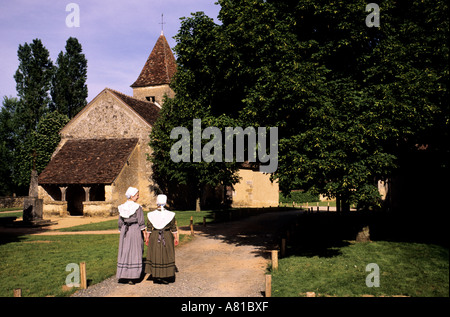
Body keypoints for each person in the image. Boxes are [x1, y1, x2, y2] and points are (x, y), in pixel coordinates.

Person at [144, 194, 178, 284]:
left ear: (157, 202)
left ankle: (157, 275)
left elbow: (149, 228)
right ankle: (165, 275)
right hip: (166, 235)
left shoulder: (151, 215)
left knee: (156, 254)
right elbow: (173, 228)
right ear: (165, 202)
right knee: (166, 254)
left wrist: (147, 238)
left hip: (155, 236)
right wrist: (176, 237)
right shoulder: (170, 215)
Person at [116, 187, 146, 284]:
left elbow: (120, 222)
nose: (138, 197)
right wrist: (145, 235)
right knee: (135, 250)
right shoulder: (137, 207)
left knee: (125, 251)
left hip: (125, 230)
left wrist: (122, 231)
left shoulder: (122, 207)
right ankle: (133, 276)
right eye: (137, 195)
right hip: (135, 230)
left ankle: (124, 274)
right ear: (132, 196)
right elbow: (141, 222)